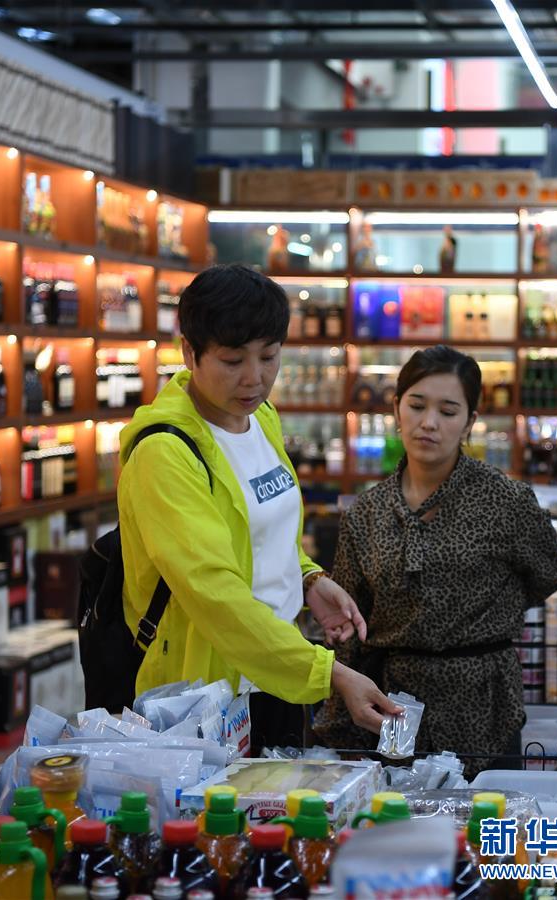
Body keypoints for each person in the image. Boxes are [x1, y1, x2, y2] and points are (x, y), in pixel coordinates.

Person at [117, 263, 400, 752]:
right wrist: (328, 673)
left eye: (269, 357)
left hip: (277, 674)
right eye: (232, 361)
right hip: (204, 694)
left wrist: (307, 578)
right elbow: (215, 593)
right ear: (189, 352)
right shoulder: (165, 453)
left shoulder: (261, 417)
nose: (255, 378)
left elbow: (261, 532)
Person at [313, 345, 557, 775]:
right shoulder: (367, 512)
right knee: (397, 810)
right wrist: (338, 721)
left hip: (483, 700)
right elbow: (350, 622)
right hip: (394, 701)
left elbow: (551, 572)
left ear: (469, 421)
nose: (429, 422)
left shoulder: (505, 500)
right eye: (417, 406)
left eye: (448, 411)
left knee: (488, 813)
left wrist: (482, 614)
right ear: (397, 408)